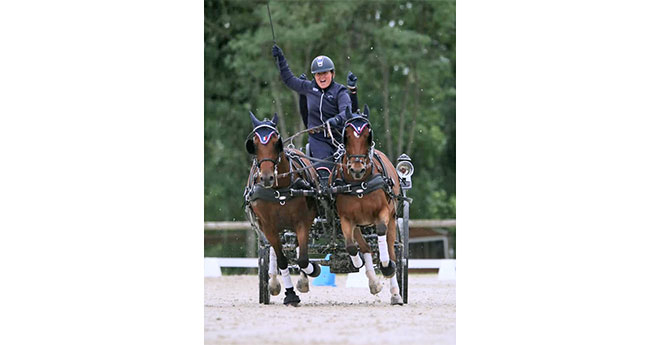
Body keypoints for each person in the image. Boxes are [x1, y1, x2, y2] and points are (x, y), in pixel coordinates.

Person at [272, 44, 351, 185]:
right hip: (318, 139)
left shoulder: (340, 91)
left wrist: (337, 120)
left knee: (351, 169)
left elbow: (347, 111)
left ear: (332, 73)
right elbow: (289, 80)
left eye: (325, 73)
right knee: (324, 171)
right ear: (314, 75)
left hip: (340, 137)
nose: (322, 77)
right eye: (318, 74)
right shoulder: (308, 88)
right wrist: (280, 59)